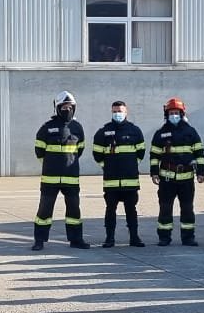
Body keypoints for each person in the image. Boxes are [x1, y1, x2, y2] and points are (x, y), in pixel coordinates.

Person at [31, 91, 88, 250]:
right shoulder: (47, 127)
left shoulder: (77, 127)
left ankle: (76, 240)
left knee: (74, 211)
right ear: (57, 108)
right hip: (50, 179)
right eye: (64, 107)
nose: (67, 109)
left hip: (71, 178)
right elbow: (39, 151)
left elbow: (80, 149)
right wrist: (52, 164)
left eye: (70, 107)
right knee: (44, 210)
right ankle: (39, 240)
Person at [149, 97, 204, 246]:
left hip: (186, 178)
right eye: (171, 112)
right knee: (165, 208)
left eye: (176, 112)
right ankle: (164, 237)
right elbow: (154, 155)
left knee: (187, 208)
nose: (173, 115)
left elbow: (199, 153)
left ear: (181, 114)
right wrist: (154, 172)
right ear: (166, 114)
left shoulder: (191, 132)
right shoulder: (160, 133)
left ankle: (188, 238)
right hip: (167, 179)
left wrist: (201, 172)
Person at [92, 100, 147, 247]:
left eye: (120, 111)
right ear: (111, 112)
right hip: (111, 180)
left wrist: (130, 165)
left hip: (130, 180)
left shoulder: (135, 131)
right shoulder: (103, 132)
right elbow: (97, 153)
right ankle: (109, 238)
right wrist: (107, 166)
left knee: (131, 210)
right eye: (115, 111)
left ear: (126, 112)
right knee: (110, 210)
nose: (118, 114)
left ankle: (134, 238)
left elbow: (141, 152)